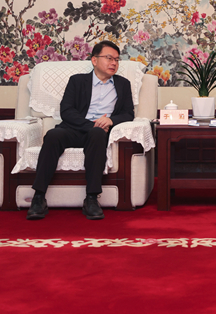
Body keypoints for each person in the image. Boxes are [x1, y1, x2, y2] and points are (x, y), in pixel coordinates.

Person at [27, 40, 135, 220]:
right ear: (94, 60)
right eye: (109, 58)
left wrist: (110, 120)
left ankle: (91, 198)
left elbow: (128, 113)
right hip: (75, 128)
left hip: (99, 133)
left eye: (117, 59)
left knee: (97, 133)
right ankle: (38, 196)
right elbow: (67, 111)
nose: (114, 63)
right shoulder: (77, 81)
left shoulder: (123, 84)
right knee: (53, 135)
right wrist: (90, 124)